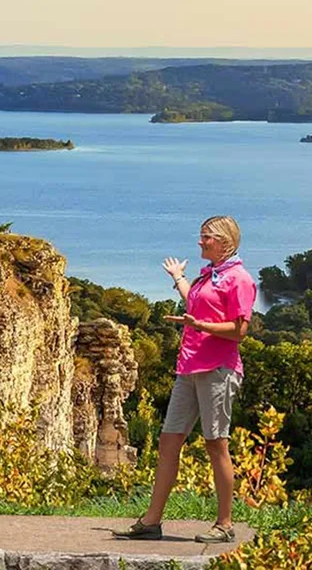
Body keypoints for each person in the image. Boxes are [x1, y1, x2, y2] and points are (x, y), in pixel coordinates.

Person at [114, 216, 256, 544]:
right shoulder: (210, 275)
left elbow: (240, 331)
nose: (200, 242)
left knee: (215, 443)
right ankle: (151, 521)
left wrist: (201, 326)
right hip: (190, 369)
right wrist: (179, 279)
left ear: (224, 242)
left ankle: (224, 524)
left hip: (218, 370)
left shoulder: (239, 279)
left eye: (206, 237)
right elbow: (196, 304)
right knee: (169, 441)